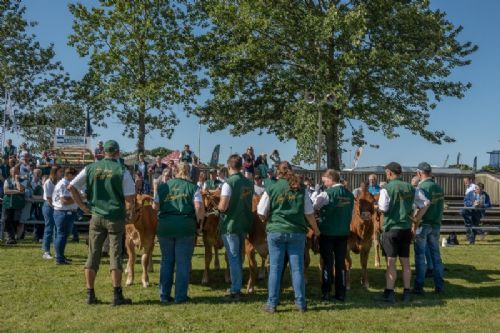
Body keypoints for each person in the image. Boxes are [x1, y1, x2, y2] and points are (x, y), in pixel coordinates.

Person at [68, 140, 136, 306]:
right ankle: (116, 295)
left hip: (96, 216)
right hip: (115, 217)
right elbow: (129, 199)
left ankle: (90, 295)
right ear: (118, 152)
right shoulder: (122, 170)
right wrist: (129, 214)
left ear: (103, 152)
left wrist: (83, 207)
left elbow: (71, 187)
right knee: (115, 255)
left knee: (93, 254)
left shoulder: (90, 168)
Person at [257, 162, 320, 313]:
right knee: (297, 269)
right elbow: (309, 213)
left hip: (276, 231)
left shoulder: (271, 188)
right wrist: (316, 230)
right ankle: (300, 303)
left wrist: (267, 220)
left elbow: (260, 210)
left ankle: (272, 304)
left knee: (275, 269)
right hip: (297, 232)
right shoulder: (301, 188)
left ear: (278, 173)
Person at [375, 162, 429, 303]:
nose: (386, 175)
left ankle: (390, 293)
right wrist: (417, 218)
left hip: (391, 229)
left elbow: (383, 208)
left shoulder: (386, 188)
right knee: (405, 262)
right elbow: (426, 203)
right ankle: (406, 293)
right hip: (406, 229)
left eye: (386, 172)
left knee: (391, 263)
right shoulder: (410, 188)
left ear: (391, 173)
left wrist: (376, 208)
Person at [153, 162, 205, 304]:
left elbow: (155, 206)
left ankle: (164, 295)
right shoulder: (193, 187)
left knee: (166, 261)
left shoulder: (163, 187)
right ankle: (180, 297)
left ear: (174, 171)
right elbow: (199, 208)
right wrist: (199, 224)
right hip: (185, 227)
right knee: (183, 263)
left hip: (165, 227)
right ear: (188, 172)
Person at [217, 154, 254, 302]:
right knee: (238, 257)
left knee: (233, 258)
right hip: (244, 223)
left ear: (229, 166)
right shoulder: (248, 182)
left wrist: (218, 208)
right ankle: (237, 285)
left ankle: (235, 290)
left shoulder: (228, 183)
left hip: (231, 225)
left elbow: (223, 206)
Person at [314, 169, 354, 302]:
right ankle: (340, 292)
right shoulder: (349, 194)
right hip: (343, 232)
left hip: (327, 232)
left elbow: (315, 206)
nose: (324, 183)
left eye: (325, 180)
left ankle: (326, 292)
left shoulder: (326, 194)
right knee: (341, 262)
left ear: (331, 178)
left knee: (327, 262)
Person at [411, 162, 445, 295]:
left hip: (423, 224)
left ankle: (419, 286)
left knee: (420, 257)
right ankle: (439, 286)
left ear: (419, 173)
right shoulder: (438, 187)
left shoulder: (422, 187)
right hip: (436, 225)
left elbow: (419, 207)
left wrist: (415, 221)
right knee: (436, 256)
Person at [52, 168, 78, 265]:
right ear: (70, 175)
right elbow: (64, 201)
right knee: (61, 235)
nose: (76, 178)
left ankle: (61, 256)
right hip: (63, 212)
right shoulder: (64, 184)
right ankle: (59, 258)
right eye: (75, 176)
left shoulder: (64, 183)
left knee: (62, 235)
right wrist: (78, 198)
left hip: (64, 212)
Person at [42, 166, 63, 259]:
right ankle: (46, 251)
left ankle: (57, 251)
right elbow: (49, 198)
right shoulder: (48, 182)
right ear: (55, 172)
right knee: (49, 228)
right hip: (49, 206)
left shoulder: (58, 182)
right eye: (60, 172)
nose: (61, 173)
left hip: (56, 206)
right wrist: (55, 207)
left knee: (57, 229)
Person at [3, 166, 25, 244]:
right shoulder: (7, 180)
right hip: (8, 203)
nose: (15, 173)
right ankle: (11, 238)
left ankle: (12, 238)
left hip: (17, 204)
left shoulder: (22, 180)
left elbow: (21, 189)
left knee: (15, 221)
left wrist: (16, 180)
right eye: (13, 171)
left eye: (16, 171)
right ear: (10, 172)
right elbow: (6, 191)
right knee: (7, 220)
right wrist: (17, 191)